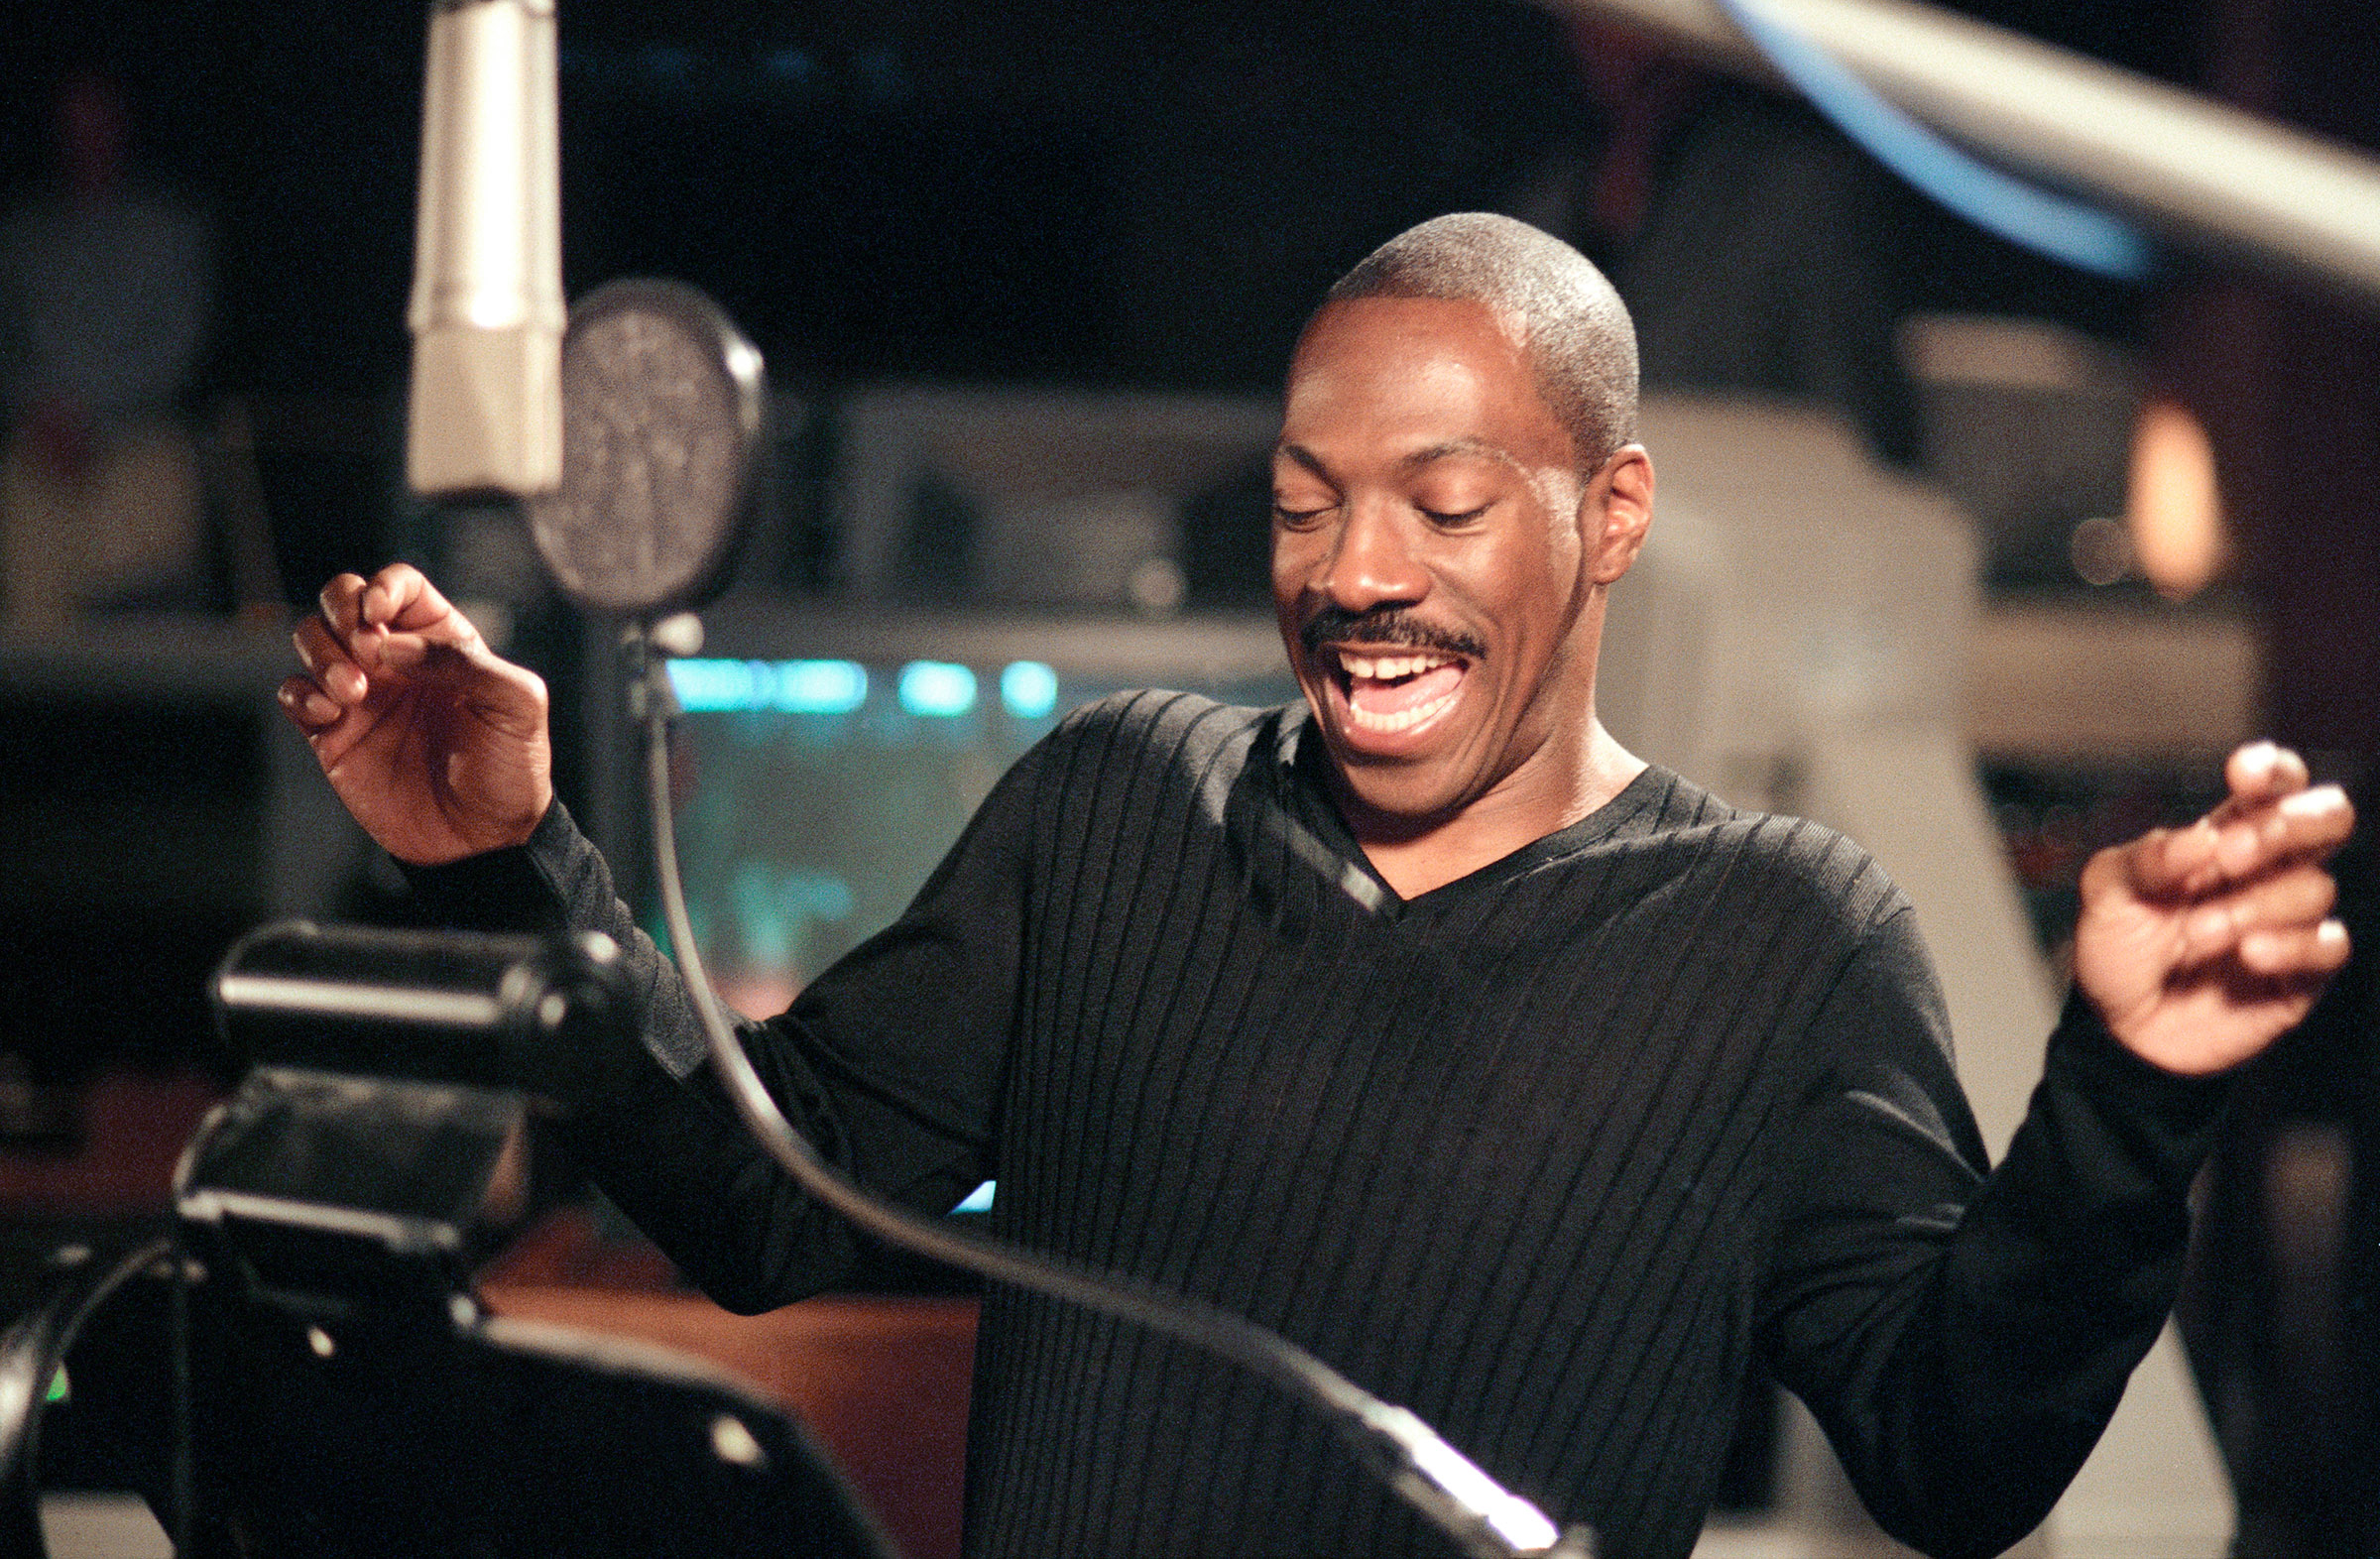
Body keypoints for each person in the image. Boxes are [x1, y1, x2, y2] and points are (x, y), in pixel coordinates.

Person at [279, 214, 2350, 1559]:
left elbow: (1955, 1457)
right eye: (1303, 503)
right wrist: (510, 862)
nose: (1356, 572)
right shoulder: (1111, 809)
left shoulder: (1789, 942)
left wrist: (2131, 1091)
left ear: (1609, 511)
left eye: (1444, 502)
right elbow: (753, 1193)